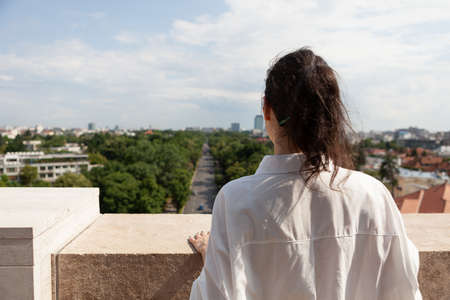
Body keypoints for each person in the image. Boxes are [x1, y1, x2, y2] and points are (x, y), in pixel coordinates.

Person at [188, 47, 422, 300]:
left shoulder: (235, 199)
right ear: (332, 117)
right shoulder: (373, 195)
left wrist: (213, 255)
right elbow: (403, 287)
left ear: (266, 110)